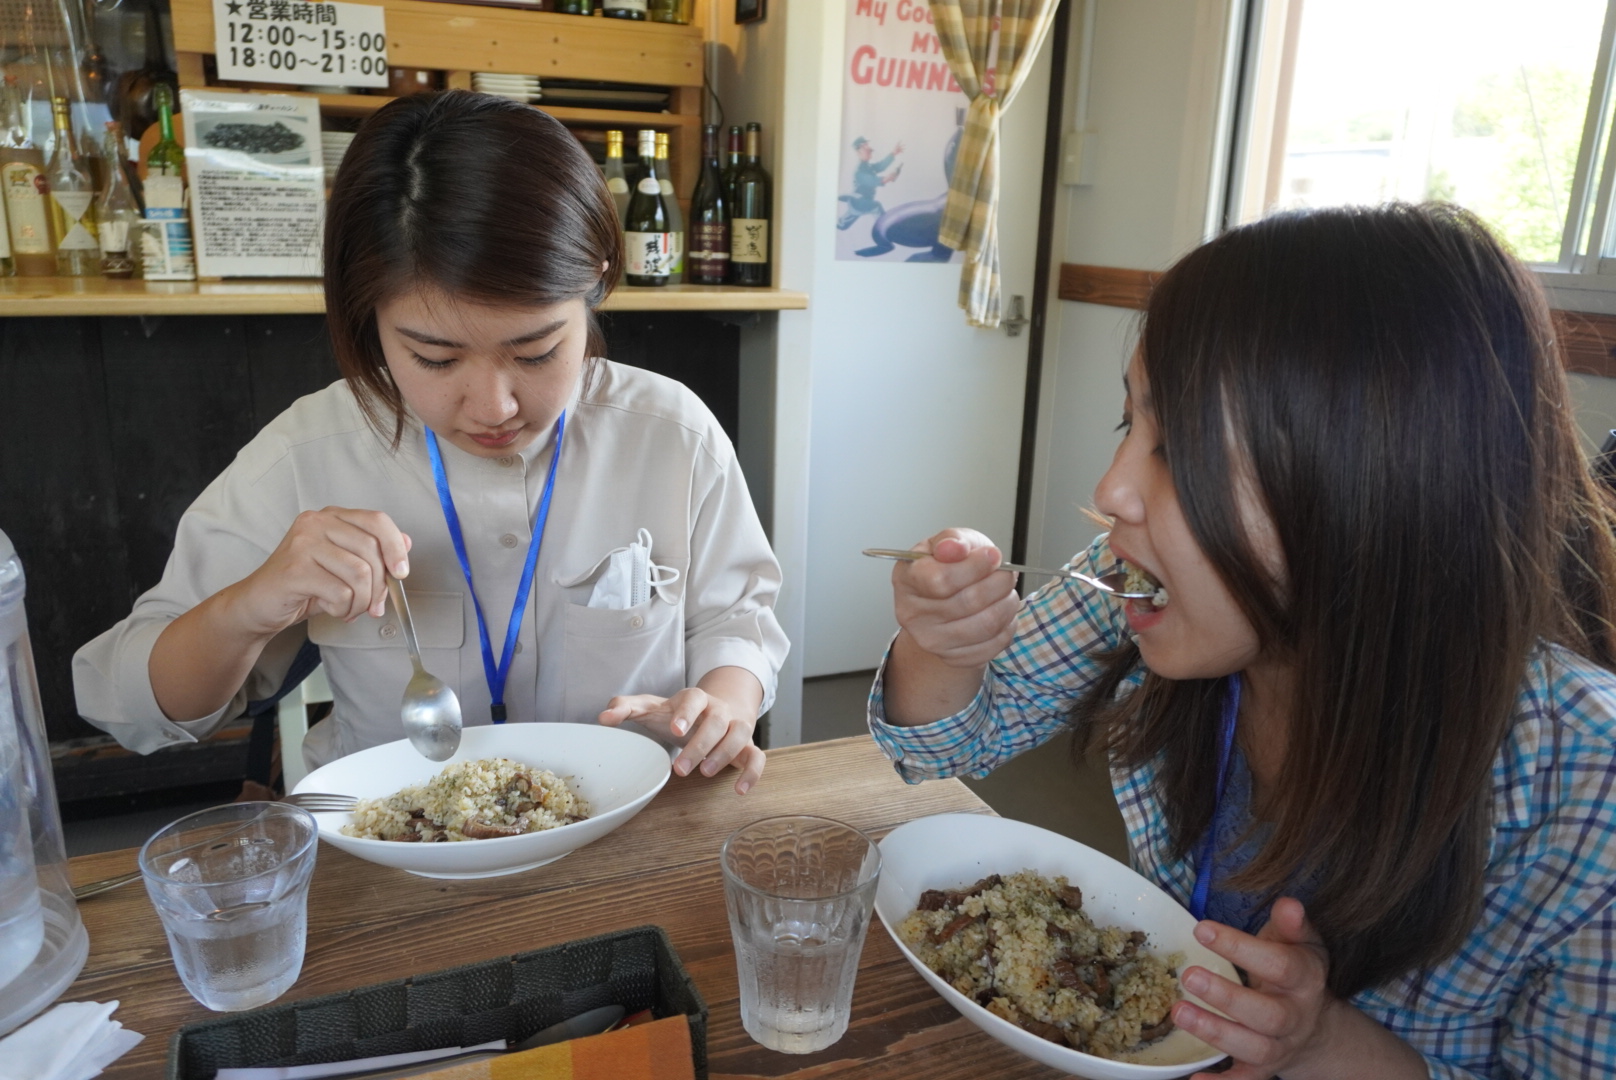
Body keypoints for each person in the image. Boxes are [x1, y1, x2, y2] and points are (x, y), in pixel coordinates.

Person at [870, 204, 1616, 1077]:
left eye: (1179, 448)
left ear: (1374, 495)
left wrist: (1321, 1042)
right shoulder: (1142, 591)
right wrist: (943, 645)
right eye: (1130, 428)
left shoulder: (1585, 785)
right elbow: (945, 746)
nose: (1111, 490)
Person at [73, 91, 787, 793]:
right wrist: (251, 604)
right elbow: (128, 704)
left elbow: (736, 617)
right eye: (436, 360)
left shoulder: (670, 433)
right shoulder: (308, 453)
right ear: (368, 318)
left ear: (597, 281)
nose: (494, 405)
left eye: (537, 352)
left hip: (628, 829)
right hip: (395, 856)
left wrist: (727, 701)